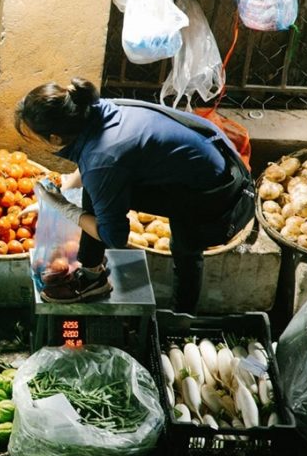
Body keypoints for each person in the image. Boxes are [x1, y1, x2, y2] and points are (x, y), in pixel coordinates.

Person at [15, 78, 255, 312]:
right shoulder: (94, 109)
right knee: (99, 192)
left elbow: (114, 236)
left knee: (186, 248)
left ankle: (181, 319)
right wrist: (57, 198)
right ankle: (93, 271)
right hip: (210, 160)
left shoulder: (103, 157)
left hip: (217, 193)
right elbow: (94, 163)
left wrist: (64, 207)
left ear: (55, 138)